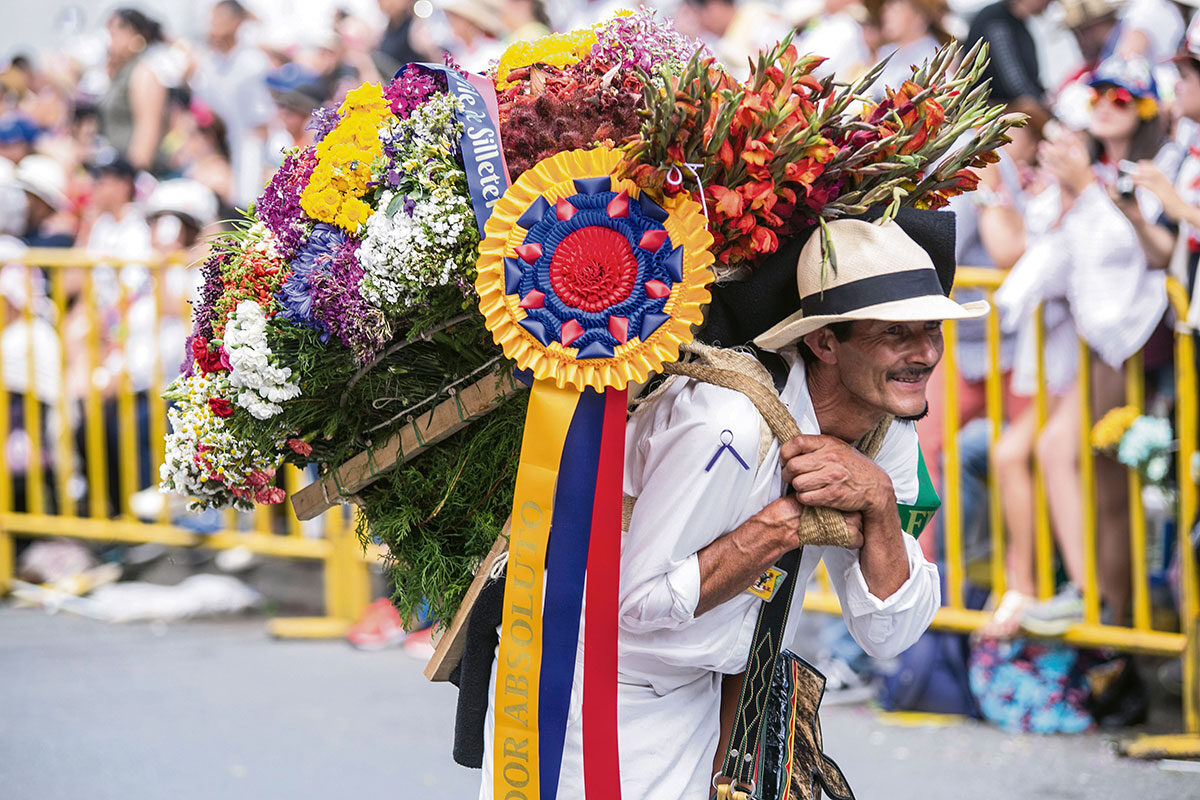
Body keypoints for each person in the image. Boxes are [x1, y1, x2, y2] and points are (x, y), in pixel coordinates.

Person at [477, 217, 957, 798]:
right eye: (895, 334)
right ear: (824, 341)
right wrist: (777, 530)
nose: (925, 354)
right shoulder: (725, 419)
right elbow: (635, 603)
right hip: (589, 685)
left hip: (713, 699)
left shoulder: (889, 434)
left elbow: (888, 633)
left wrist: (879, 503)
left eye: (931, 330)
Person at [991, 54, 1169, 636]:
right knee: (1094, 477)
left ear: (1144, 110)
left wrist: (1085, 189)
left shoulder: (1152, 170)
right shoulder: (1096, 172)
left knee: (1093, 474)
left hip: (1131, 345)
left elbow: (1153, 251)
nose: (1104, 107)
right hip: (1095, 346)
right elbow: (1045, 246)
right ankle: (1099, 609)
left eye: (1120, 99)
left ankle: (1100, 606)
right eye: (1098, 97)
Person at [188, 0, 274, 208]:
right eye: (213, 18)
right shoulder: (209, 63)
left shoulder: (253, 62)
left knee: (246, 207)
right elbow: (204, 112)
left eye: (221, 18)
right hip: (220, 148)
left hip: (252, 150)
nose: (214, 24)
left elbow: (261, 125)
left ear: (237, 22)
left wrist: (251, 172)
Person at [98, 8, 169, 174]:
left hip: (130, 173)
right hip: (115, 168)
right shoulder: (121, 72)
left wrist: (134, 174)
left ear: (134, 36)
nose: (109, 40)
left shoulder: (143, 73)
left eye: (114, 33)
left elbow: (147, 129)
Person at [965, 0, 1054, 112]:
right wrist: (1041, 101)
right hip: (986, 110)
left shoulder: (1019, 22)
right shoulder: (994, 19)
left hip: (1012, 106)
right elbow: (1013, 82)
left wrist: (1044, 96)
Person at [871, 0, 951, 97]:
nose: (885, 14)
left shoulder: (935, 58)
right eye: (886, 7)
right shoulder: (885, 51)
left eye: (895, 9)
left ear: (919, 16)